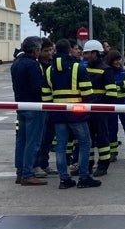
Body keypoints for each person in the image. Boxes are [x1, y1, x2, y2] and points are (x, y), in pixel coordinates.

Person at [42, 38, 101, 189]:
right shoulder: (78, 68)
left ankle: (64, 179)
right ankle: (83, 177)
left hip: (58, 113)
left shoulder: (49, 70)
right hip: (77, 113)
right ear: (69, 50)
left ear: (56, 51)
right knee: (85, 142)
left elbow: (46, 96)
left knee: (61, 146)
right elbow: (88, 93)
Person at [12, 36, 47, 186]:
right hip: (34, 106)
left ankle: (20, 173)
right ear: (35, 50)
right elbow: (36, 87)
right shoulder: (33, 65)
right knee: (32, 142)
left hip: (20, 105)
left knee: (21, 141)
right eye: (39, 49)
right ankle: (28, 174)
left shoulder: (16, 63)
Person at [82, 40, 117, 177]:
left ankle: (103, 164)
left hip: (100, 111)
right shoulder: (84, 68)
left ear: (95, 53)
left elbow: (112, 93)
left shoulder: (106, 70)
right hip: (87, 109)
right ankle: (89, 164)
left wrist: (100, 106)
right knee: (88, 138)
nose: (85, 56)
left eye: (87, 53)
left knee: (102, 138)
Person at [105, 50, 125, 163]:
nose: (118, 62)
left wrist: (119, 84)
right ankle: (112, 152)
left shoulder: (123, 71)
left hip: (124, 104)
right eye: (116, 60)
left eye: (119, 59)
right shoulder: (107, 71)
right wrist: (121, 84)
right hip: (111, 104)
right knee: (112, 129)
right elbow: (107, 86)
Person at [34, 37, 58, 177]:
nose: (49, 53)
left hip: (52, 105)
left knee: (49, 137)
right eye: (46, 51)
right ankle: (36, 165)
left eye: (51, 50)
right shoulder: (37, 65)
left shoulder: (53, 64)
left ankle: (44, 163)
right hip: (41, 106)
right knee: (40, 138)